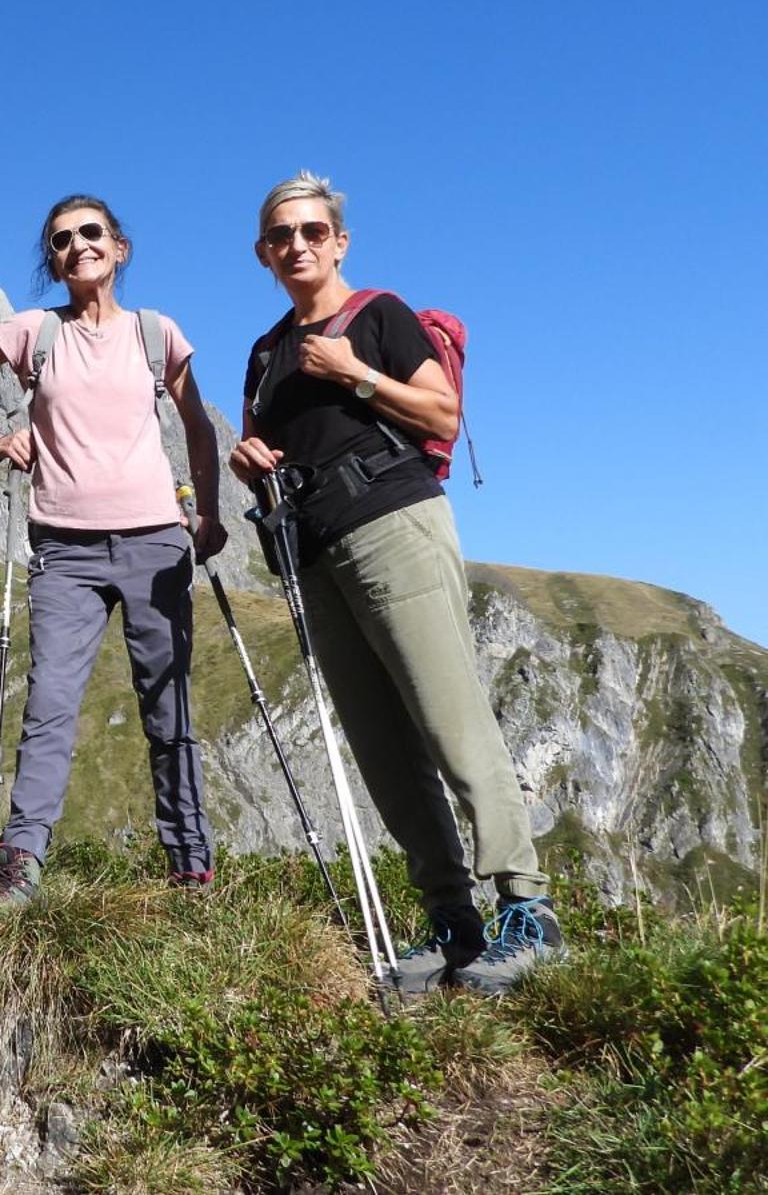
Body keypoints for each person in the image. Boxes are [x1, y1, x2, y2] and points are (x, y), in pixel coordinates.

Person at [228, 171, 564, 994]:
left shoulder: (378, 315)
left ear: (339, 240)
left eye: (313, 231)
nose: (297, 245)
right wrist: (250, 460)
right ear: (263, 253)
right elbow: (264, 445)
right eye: (282, 235)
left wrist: (355, 373)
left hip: (393, 525)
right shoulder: (265, 354)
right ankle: (453, 923)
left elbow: (442, 415)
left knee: (448, 717)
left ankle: (526, 908)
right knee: (382, 747)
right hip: (314, 550)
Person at [0, 196, 228, 904]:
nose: (77, 247)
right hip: (64, 550)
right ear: (53, 261)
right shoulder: (35, 332)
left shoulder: (156, 334)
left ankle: (191, 868)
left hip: (156, 543)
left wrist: (208, 513)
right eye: (60, 241)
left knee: (168, 709)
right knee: (50, 708)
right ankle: (19, 869)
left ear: (119, 248)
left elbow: (197, 427)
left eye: (90, 234)